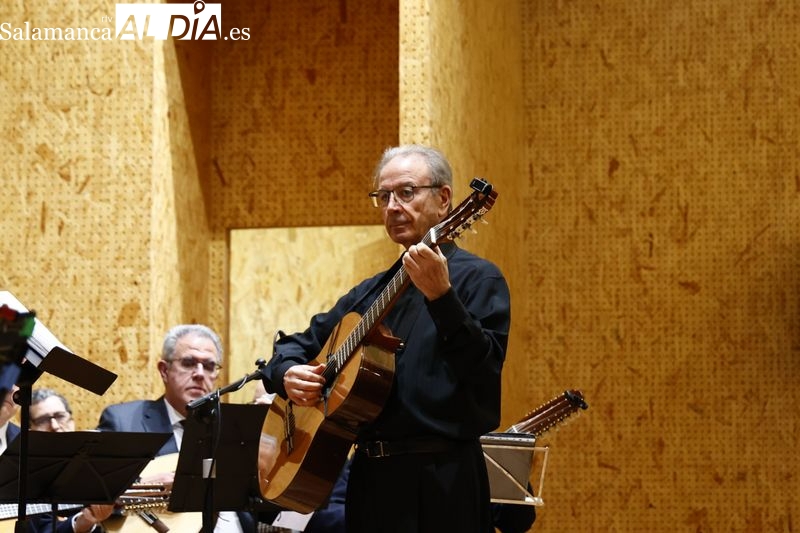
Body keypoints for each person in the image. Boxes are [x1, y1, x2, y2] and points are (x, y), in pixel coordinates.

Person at [260, 144, 511, 532]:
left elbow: (483, 371)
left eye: (406, 192)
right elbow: (294, 346)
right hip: (370, 484)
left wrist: (443, 299)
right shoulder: (369, 293)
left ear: (444, 200)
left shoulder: (478, 279)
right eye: (383, 196)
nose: (392, 206)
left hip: (443, 482)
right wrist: (287, 374)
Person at [96, 324, 272, 533]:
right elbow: (90, 492)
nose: (199, 374)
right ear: (164, 370)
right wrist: (141, 486)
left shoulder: (234, 429)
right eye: (188, 363)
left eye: (209, 366)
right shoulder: (123, 421)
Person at [25, 388, 114, 532]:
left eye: (60, 416)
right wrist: (83, 522)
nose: (54, 426)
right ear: (30, 430)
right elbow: (44, 529)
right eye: (43, 420)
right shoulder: (27, 476)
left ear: (72, 420)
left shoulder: (101, 458)